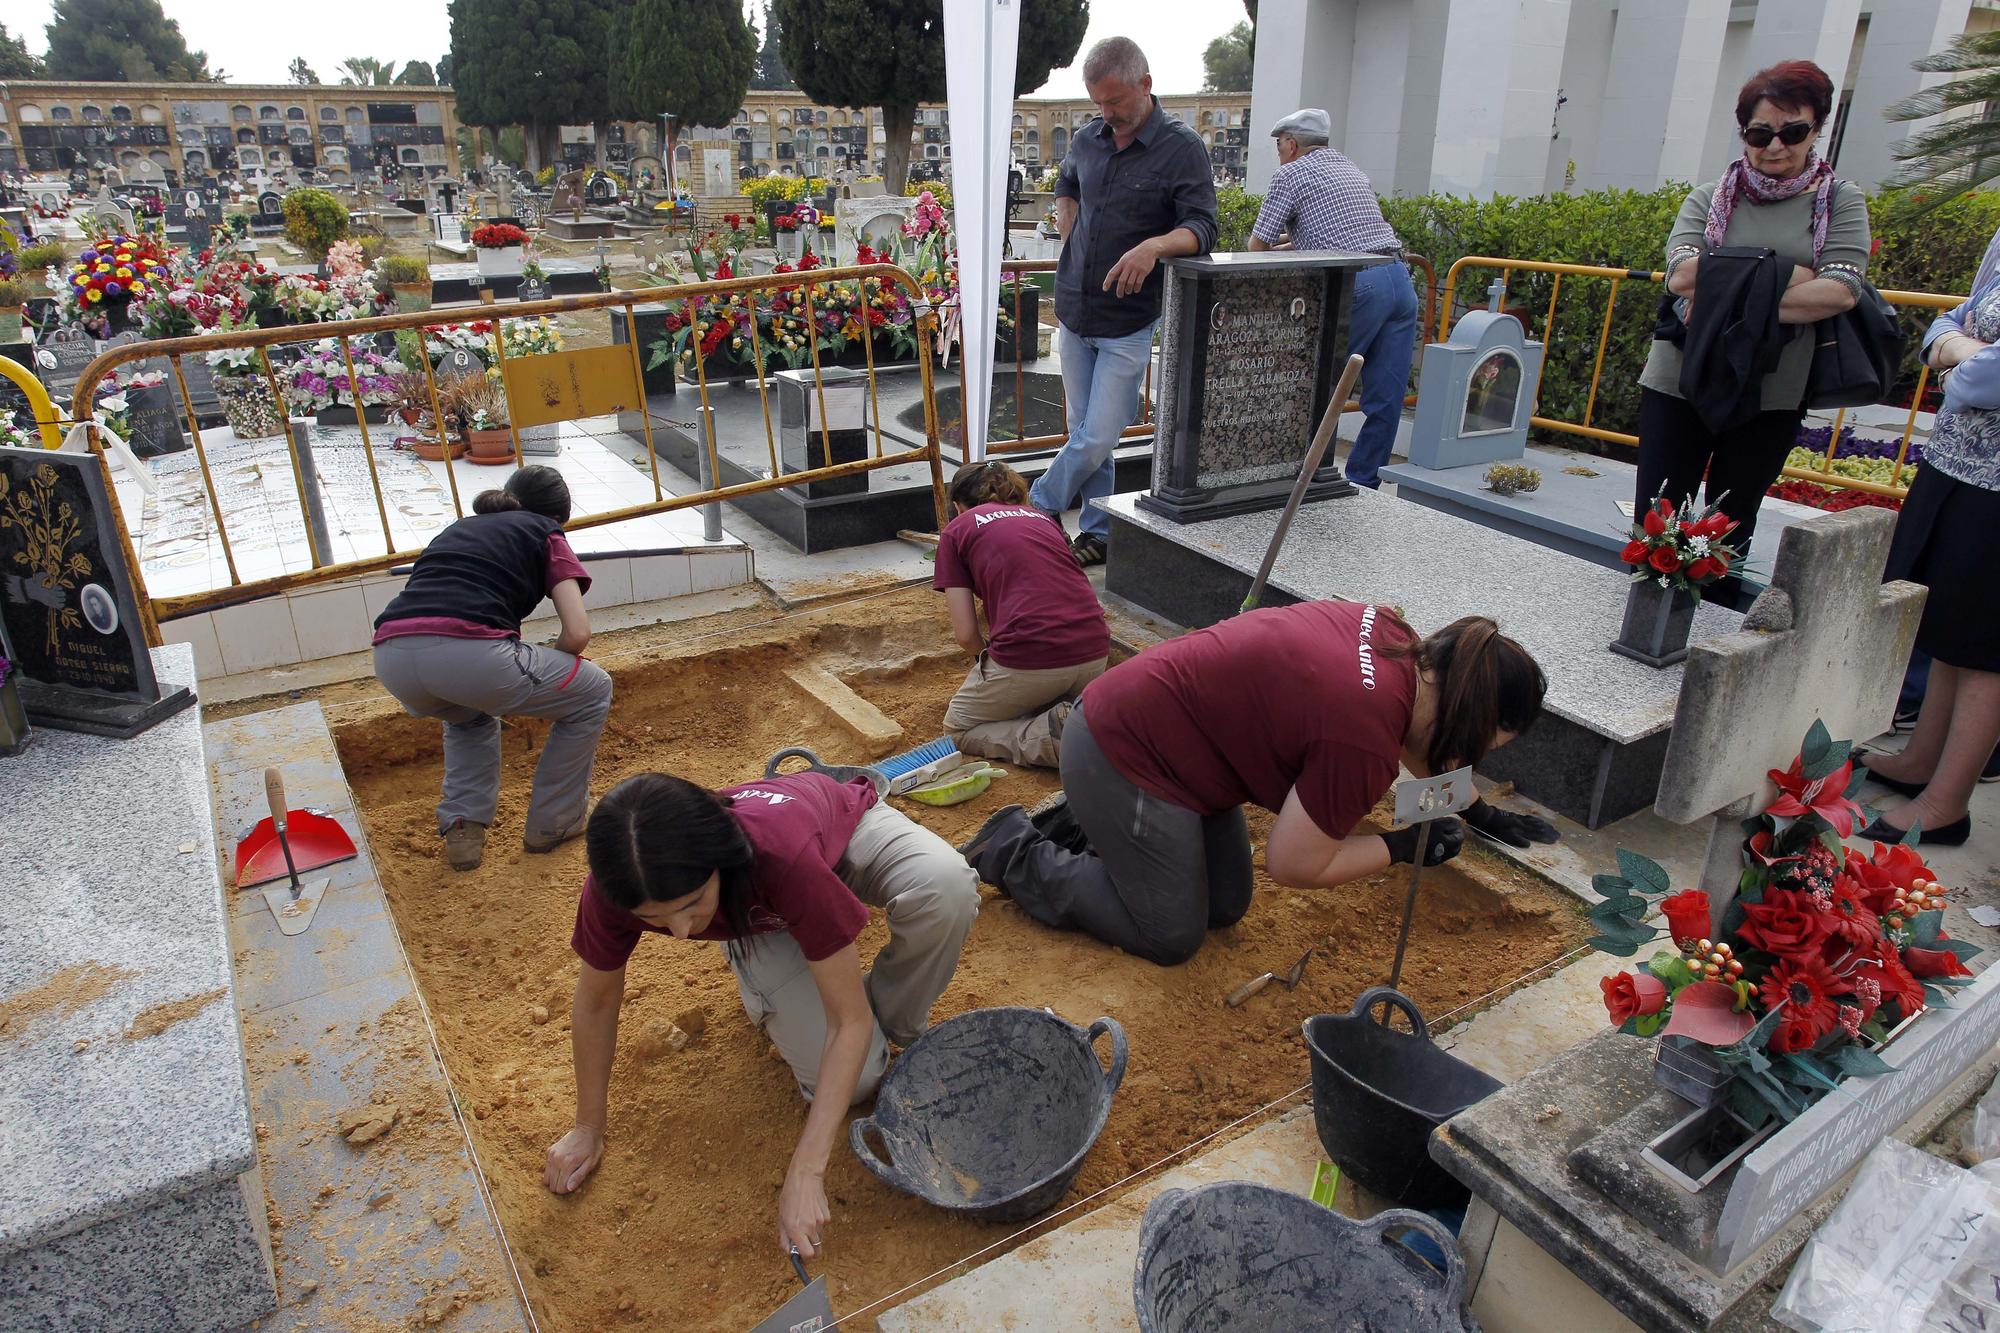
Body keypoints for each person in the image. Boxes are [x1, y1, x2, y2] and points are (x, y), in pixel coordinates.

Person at [957, 604, 1555, 966]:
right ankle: (1013, 847)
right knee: (1169, 933)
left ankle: (1097, 829)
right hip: (1123, 751)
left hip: (1183, 751)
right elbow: (1294, 863)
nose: (1465, 764)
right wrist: (1401, 849)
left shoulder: (1395, 638)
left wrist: (1482, 815)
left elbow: (1424, 763)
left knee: (1225, 905)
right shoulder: (1362, 740)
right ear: (1462, 720)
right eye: (1475, 750)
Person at [544, 769, 979, 1259]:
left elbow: (849, 1022)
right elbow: (598, 999)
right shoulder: (614, 887)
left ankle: (887, 1021)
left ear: (719, 863)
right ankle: (806, 965)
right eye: (655, 920)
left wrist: (807, 1170)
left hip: (833, 835)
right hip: (761, 914)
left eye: (691, 906)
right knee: (856, 1082)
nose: (683, 934)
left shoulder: (777, 857)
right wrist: (587, 1126)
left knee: (946, 889)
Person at [1636, 60, 1870, 600]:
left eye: (1793, 132)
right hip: (1682, 377)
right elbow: (1681, 275)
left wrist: (1726, 286)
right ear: (1744, 131)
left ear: (1818, 130)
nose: (1776, 146)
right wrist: (1789, 275)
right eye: (1760, 133)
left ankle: (1711, 648)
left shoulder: (1839, 204)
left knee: (1733, 520)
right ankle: (1644, 624)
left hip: (1772, 388)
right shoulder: (1710, 197)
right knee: (1658, 515)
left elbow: (1840, 291)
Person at [1030, 37, 1218, 566]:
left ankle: (1037, 503)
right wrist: (1068, 219)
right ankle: (1098, 532)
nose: (1107, 115)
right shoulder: (1091, 139)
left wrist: (1154, 246)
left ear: (1146, 85)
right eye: (1098, 104)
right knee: (1085, 435)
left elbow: (1203, 226)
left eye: (1115, 103)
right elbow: (1067, 181)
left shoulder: (1181, 148)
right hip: (1073, 308)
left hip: (1127, 322)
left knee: (1099, 433)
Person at [371, 466, 612, 871]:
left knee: (469, 718)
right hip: (472, 655)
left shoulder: (459, 528)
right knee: (593, 691)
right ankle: (556, 822)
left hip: (391, 657)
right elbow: (577, 632)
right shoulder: (546, 533)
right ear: (558, 517)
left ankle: (464, 830)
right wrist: (546, 678)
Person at [1858, 224, 2000, 847]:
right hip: (1957, 460)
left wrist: (1959, 355)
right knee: (1945, 623)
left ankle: (1948, 802)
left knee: (1987, 646)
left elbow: (1981, 380)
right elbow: (1948, 323)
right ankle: (1921, 761)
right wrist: (1958, 346)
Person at [1248, 109, 1417, 490]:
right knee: (1384, 398)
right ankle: (1363, 481)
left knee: (1317, 387)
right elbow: (1336, 229)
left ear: (1291, 144)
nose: (1278, 154)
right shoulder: (1349, 168)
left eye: (1278, 146)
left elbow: (1258, 245)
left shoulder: (1290, 174)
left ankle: (1306, 480)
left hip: (1358, 285)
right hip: (1398, 278)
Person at [934, 460, 1111, 767]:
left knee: (958, 729)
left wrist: (987, 661)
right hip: (1095, 652)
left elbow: (965, 635)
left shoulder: (956, 530)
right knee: (1045, 692)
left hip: (1030, 658)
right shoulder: (1043, 519)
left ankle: (1050, 739)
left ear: (958, 506)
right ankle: (1074, 713)